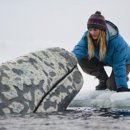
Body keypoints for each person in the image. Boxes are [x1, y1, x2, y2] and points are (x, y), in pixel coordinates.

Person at [72, 11, 130, 92]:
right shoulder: (87, 36)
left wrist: (122, 86)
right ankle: (103, 78)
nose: (92, 32)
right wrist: (68, 60)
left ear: (102, 30)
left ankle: (120, 79)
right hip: (103, 58)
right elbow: (78, 50)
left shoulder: (116, 42)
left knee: (112, 86)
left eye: (95, 29)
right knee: (82, 58)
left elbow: (119, 65)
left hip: (124, 62)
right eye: (90, 29)